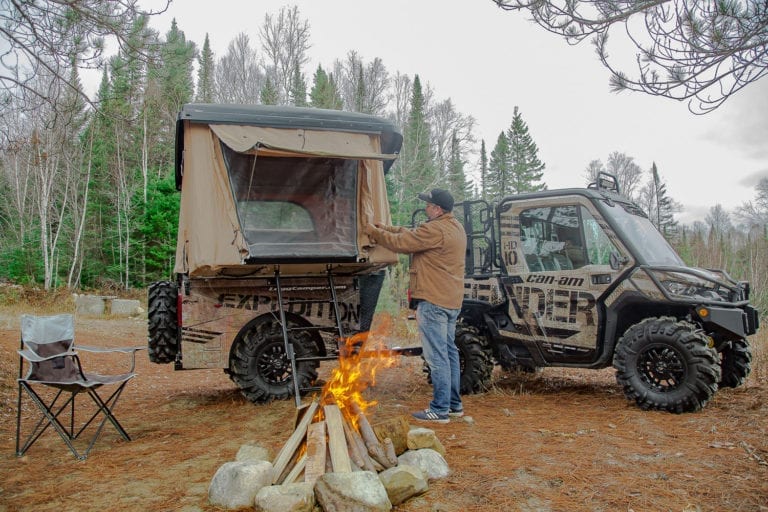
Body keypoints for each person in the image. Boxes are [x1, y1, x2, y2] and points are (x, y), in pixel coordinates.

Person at [364, 188, 467, 423]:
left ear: (437, 209)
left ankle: (440, 409)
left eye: (428, 205)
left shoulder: (436, 229)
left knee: (437, 356)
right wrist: (386, 228)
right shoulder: (455, 227)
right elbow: (414, 234)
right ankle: (453, 405)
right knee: (449, 353)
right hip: (451, 301)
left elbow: (402, 243)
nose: (426, 208)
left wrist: (373, 232)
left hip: (434, 301)